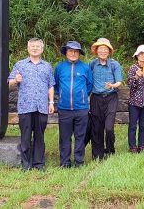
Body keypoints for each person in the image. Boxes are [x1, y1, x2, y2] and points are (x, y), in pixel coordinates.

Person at [8, 38, 55, 171]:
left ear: (42, 49)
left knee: (40, 136)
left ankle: (39, 164)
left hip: (42, 106)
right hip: (25, 107)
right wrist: (15, 80)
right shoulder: (20, 65)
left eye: (37, 46)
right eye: (32, 46)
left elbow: (50, 85)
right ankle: (26, 164)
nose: (35, 48)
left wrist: (51, 102)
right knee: (26, 136)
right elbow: (10, 82)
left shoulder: (47, 66)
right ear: (28, 49)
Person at [54, 41, 93, 168]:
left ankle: (79, 162)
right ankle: (65, 162)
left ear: (79, 53)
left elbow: (89, 85)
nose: (73, 53)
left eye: (76, 51)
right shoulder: (59, 67)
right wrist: (63, 95)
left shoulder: (85, 67)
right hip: (64, 108)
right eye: (70, 51)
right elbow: (56, 85)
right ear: (66, 52)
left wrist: (81, 96)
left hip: (81, 108)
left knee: (80, 136)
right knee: (64, 137)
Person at [89, 38, 123, 159]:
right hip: (96, 98)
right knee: (97, 127)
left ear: (109, 51)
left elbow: (119, 81)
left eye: (105, 49)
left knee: (109, 127)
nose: (103, 51)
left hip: (111, 98)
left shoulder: (114, 64)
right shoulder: (92, 64)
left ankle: (110, 150)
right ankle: (98, 154)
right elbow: (89, 82)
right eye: (100, 49)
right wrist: (88, 97)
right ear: (96, 51)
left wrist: (112, 85)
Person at [127, 45, 144, 153]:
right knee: (133, 125)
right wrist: (136, 77)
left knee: (143, 125)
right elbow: (130, 84)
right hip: (134, 102)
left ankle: (142, 145)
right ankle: (132, 147)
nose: (143, 56)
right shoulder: (133, 68)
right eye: (141, 54)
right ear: (137, 55)